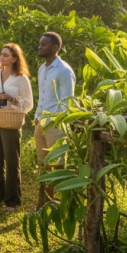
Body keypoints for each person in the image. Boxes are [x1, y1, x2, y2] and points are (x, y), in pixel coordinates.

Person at [0, 43, 33, 210]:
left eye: (6, 55)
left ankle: (12, 200)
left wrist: (12, 99)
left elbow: (29, 103)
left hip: (11, 123)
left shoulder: (21, 78)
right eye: (1, 54)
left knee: (11, 161)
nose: (2, 58)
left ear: (15, 58)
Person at [34, 31, 76, 201]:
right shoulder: (41, 69)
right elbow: (42, 96)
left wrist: (59, 123)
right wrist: (37, 117)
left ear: (55, 47)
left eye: (43, 44)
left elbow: (68, 101)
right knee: (43, 164)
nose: (39, 47)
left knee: (56, 164)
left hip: (56, 125)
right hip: (41, 122)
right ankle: (44, 201)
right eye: (40, 44)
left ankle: (52, 201)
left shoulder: (64, 71)